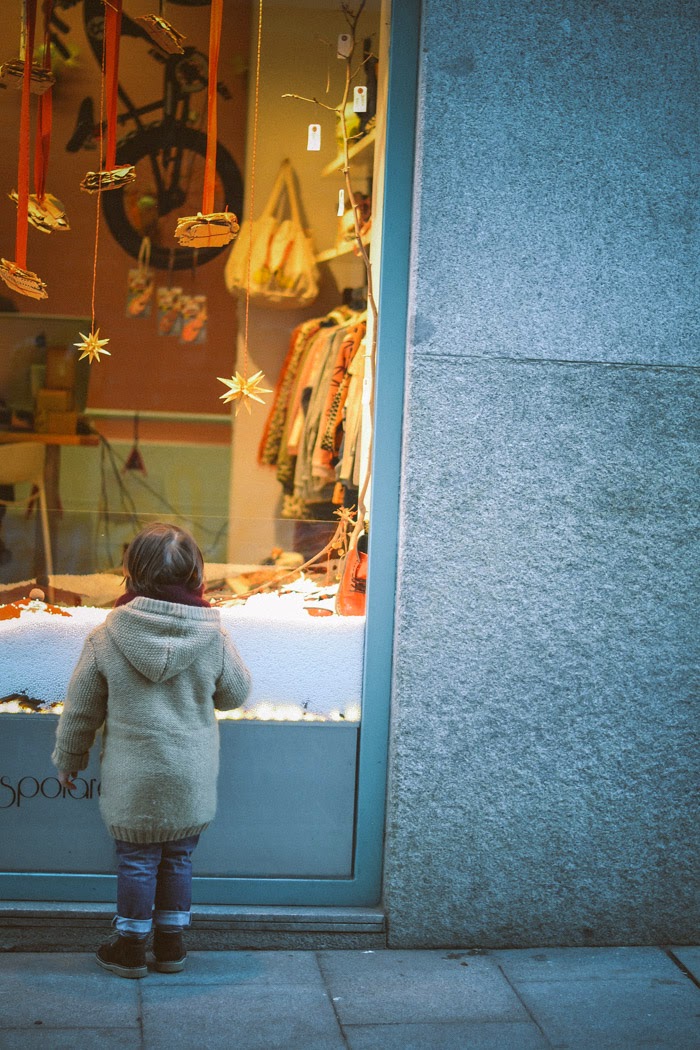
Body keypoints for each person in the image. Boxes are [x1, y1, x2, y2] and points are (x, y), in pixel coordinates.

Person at [52, 522, 251, 979]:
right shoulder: (212, 635)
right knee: (178, 856)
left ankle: (129, 947)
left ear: (132, 573)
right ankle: (171, 945)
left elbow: (82, 710)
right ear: (196, 573)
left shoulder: (107, 637)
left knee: (137, 859)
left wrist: (70, 761)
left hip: (133, 774)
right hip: (190, 772)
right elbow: (234, 694)